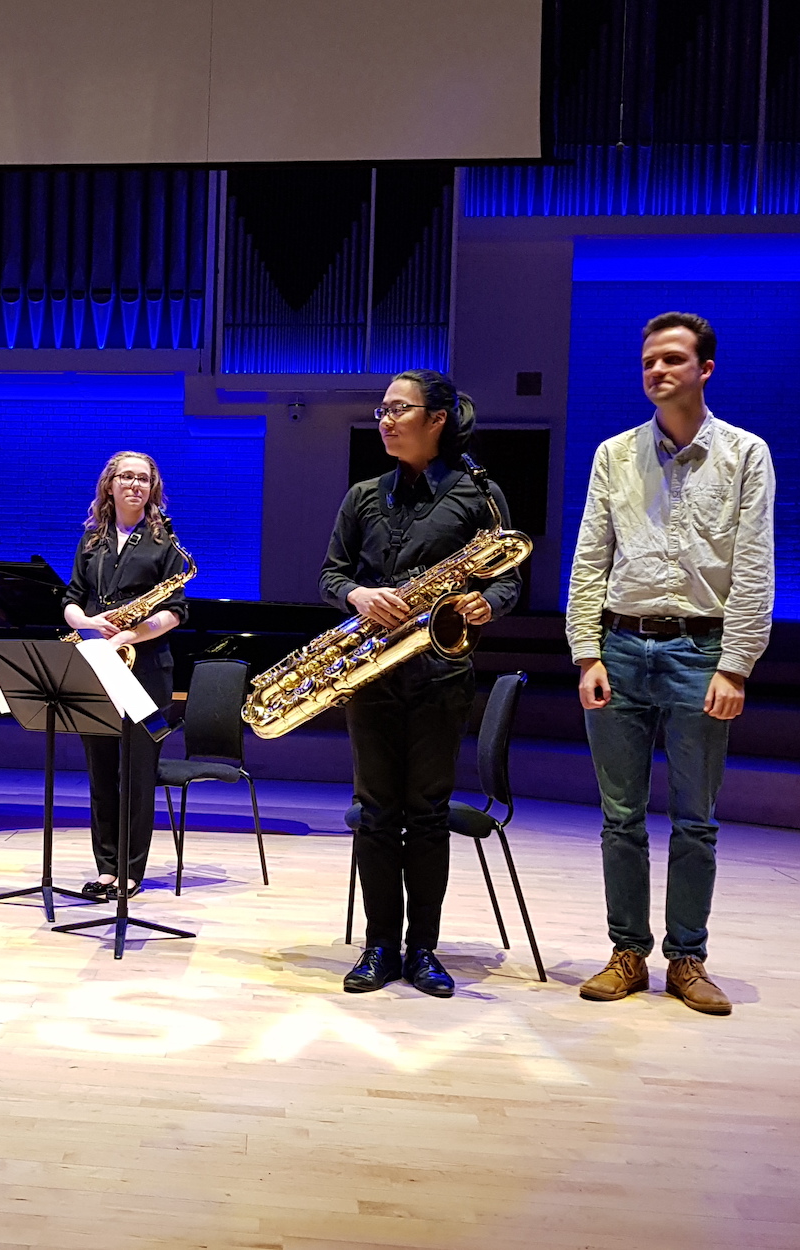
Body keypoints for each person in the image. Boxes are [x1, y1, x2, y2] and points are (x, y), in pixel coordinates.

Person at [566, 312, 775, 1017]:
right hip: (620, 648)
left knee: (697, 821)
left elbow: (754, 569)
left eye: (674, 360)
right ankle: (628, 953)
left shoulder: (746, 454)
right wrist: (586, 651)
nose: (658, 370)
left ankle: (688, 959)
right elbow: (590, 556)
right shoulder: (614, 454)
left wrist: (736, 664)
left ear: (705, 369)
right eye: (649, 360)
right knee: (619, 818)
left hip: (701, 651)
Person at [322, 370, 521, 997]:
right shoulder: (361, 496)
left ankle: (423, 949)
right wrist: (356, 592)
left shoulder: (477, 495)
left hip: (440, 674)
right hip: (369, 671)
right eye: (381, 409)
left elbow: (510, 574)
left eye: (398, 409)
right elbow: (330, 575)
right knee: (377, 814)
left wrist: (490, 603)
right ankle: (380, 946)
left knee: (428, 815)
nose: (384, 419)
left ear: (437, 419)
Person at [61, 452, 189, 902]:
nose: (135, 484)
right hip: (97, 661)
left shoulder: (165, 543)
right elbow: (72, 599)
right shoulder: (91, 540)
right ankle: (106, 868)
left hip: (147, 669)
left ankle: (130, 871)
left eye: (144, 478)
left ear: (152, 488)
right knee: (100, 771)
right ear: (109, 485)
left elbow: (176, 612)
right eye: (126, 477)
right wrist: (91, 625)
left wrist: (128, 635)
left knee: (137, 772)